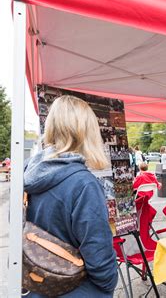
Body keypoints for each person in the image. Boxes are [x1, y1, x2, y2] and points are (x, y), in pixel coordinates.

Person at [24, 95, 118, 297]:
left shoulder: (27, 172)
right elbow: (98, 254)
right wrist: (108, 284)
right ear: (87, 131)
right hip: (75, 287)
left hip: (35, 283)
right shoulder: (84, 184)